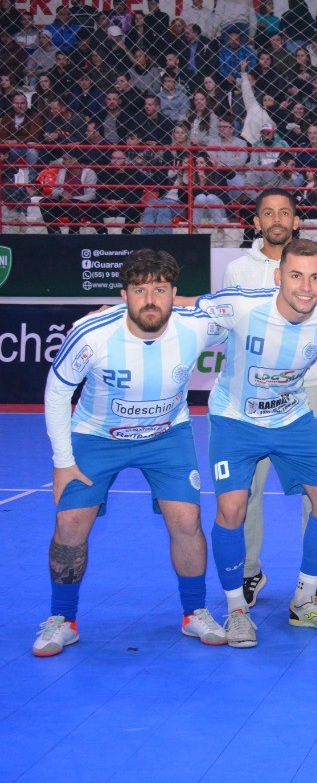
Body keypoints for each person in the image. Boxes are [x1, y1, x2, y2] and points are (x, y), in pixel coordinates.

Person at [36, 250, 228, 657]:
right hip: (96, 437)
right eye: (140, 291)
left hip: (166, 436)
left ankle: (194, 611)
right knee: (69, 525)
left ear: (174, 293)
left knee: (187, 520)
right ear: (124, 295)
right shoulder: (92, 333)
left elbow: (249, 315)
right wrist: (62, 462)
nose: (150, 300)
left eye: (160, 289)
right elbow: (56, 392)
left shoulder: (198, 325)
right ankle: (62, 619)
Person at [197, 239, 317, 648]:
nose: (306, 287)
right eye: (296, 276)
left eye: (315, 277)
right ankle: (236, 611)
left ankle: (304, 600)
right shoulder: (242, 306)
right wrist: (116, 314)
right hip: (236, 419)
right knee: (232, 508)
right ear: (278, 276)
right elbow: (181, 308)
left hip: (291, 415)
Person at [222, 191, 317, 609]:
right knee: (247, 490)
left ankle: (312, 581)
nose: (276, 219)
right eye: (268, 213)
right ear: (255, 222)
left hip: (307, 388)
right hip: (251, 400)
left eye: (284, 212)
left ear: (296, 220)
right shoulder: (237, 270)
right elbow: (223, 321)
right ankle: (249, 571)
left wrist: (302, 358)